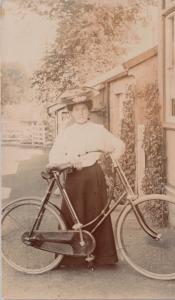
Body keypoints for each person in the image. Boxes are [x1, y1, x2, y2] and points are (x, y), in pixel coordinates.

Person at [48, 93, 125, 266]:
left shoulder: (98, 129)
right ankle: (71, 259)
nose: (81, 113)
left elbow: (119, 145)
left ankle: (102, 257)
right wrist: (69, 160)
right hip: (74, 178)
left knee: (97, 214)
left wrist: (114, 157)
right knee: (73, 215)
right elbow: (54, 155)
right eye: (77, 110)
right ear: (72, 113)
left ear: (88, 111)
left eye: (83, 109)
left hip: (94, 177)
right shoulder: (66, 133)